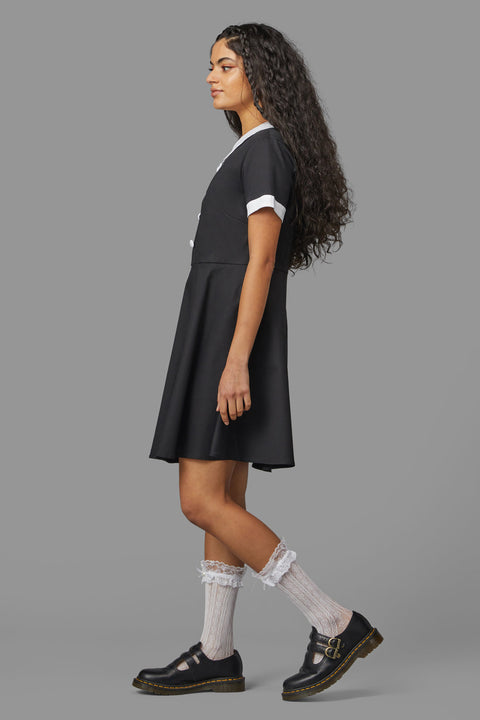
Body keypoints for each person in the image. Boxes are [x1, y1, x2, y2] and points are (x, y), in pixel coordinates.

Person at [132, 23, 383, 700]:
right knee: (225, 499)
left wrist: (235, 358)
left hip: (227, 336)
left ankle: (333, 620)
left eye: (225, 65)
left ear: (259, 73)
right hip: (218, 328)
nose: (211, 77)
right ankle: (218, 653)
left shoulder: (265, 149)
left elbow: (262, 260)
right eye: (210, 65)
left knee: (199, 500)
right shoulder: (251, 148)